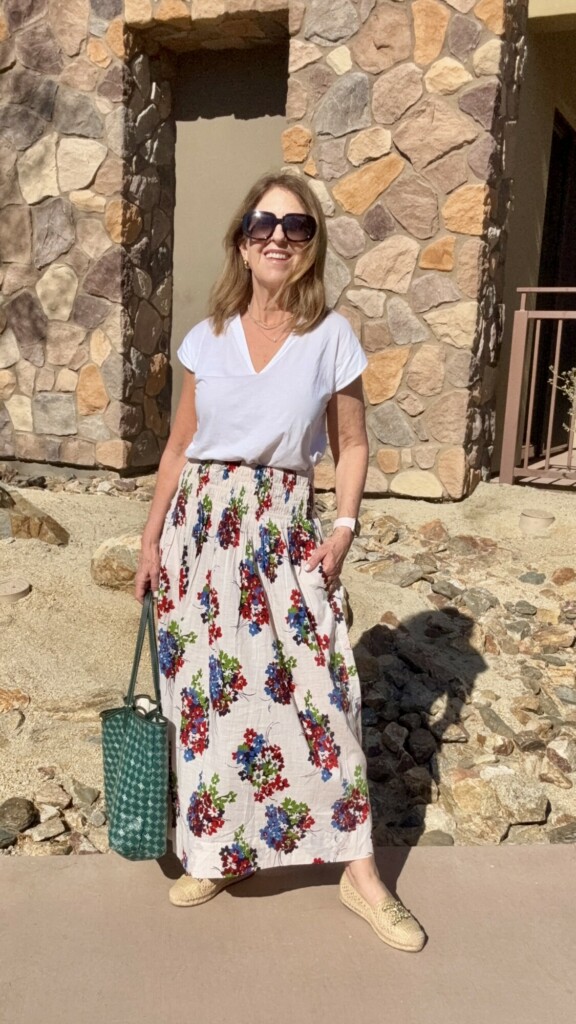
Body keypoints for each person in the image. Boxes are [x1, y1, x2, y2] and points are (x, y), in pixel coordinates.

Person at [135, 170, 425, 952]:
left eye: (295, 229)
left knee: (324, 695)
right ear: (240, 237)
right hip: (199, 533)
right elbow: (176, 448)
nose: (277, 238)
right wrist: (149, 538)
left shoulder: (331, 336)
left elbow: (354, 444)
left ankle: (360, 875)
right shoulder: (207, 336)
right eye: (264, 224)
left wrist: (344, 526)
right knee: (206, 702)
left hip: (286, 531)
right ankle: (219, 850)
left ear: (311, 247)